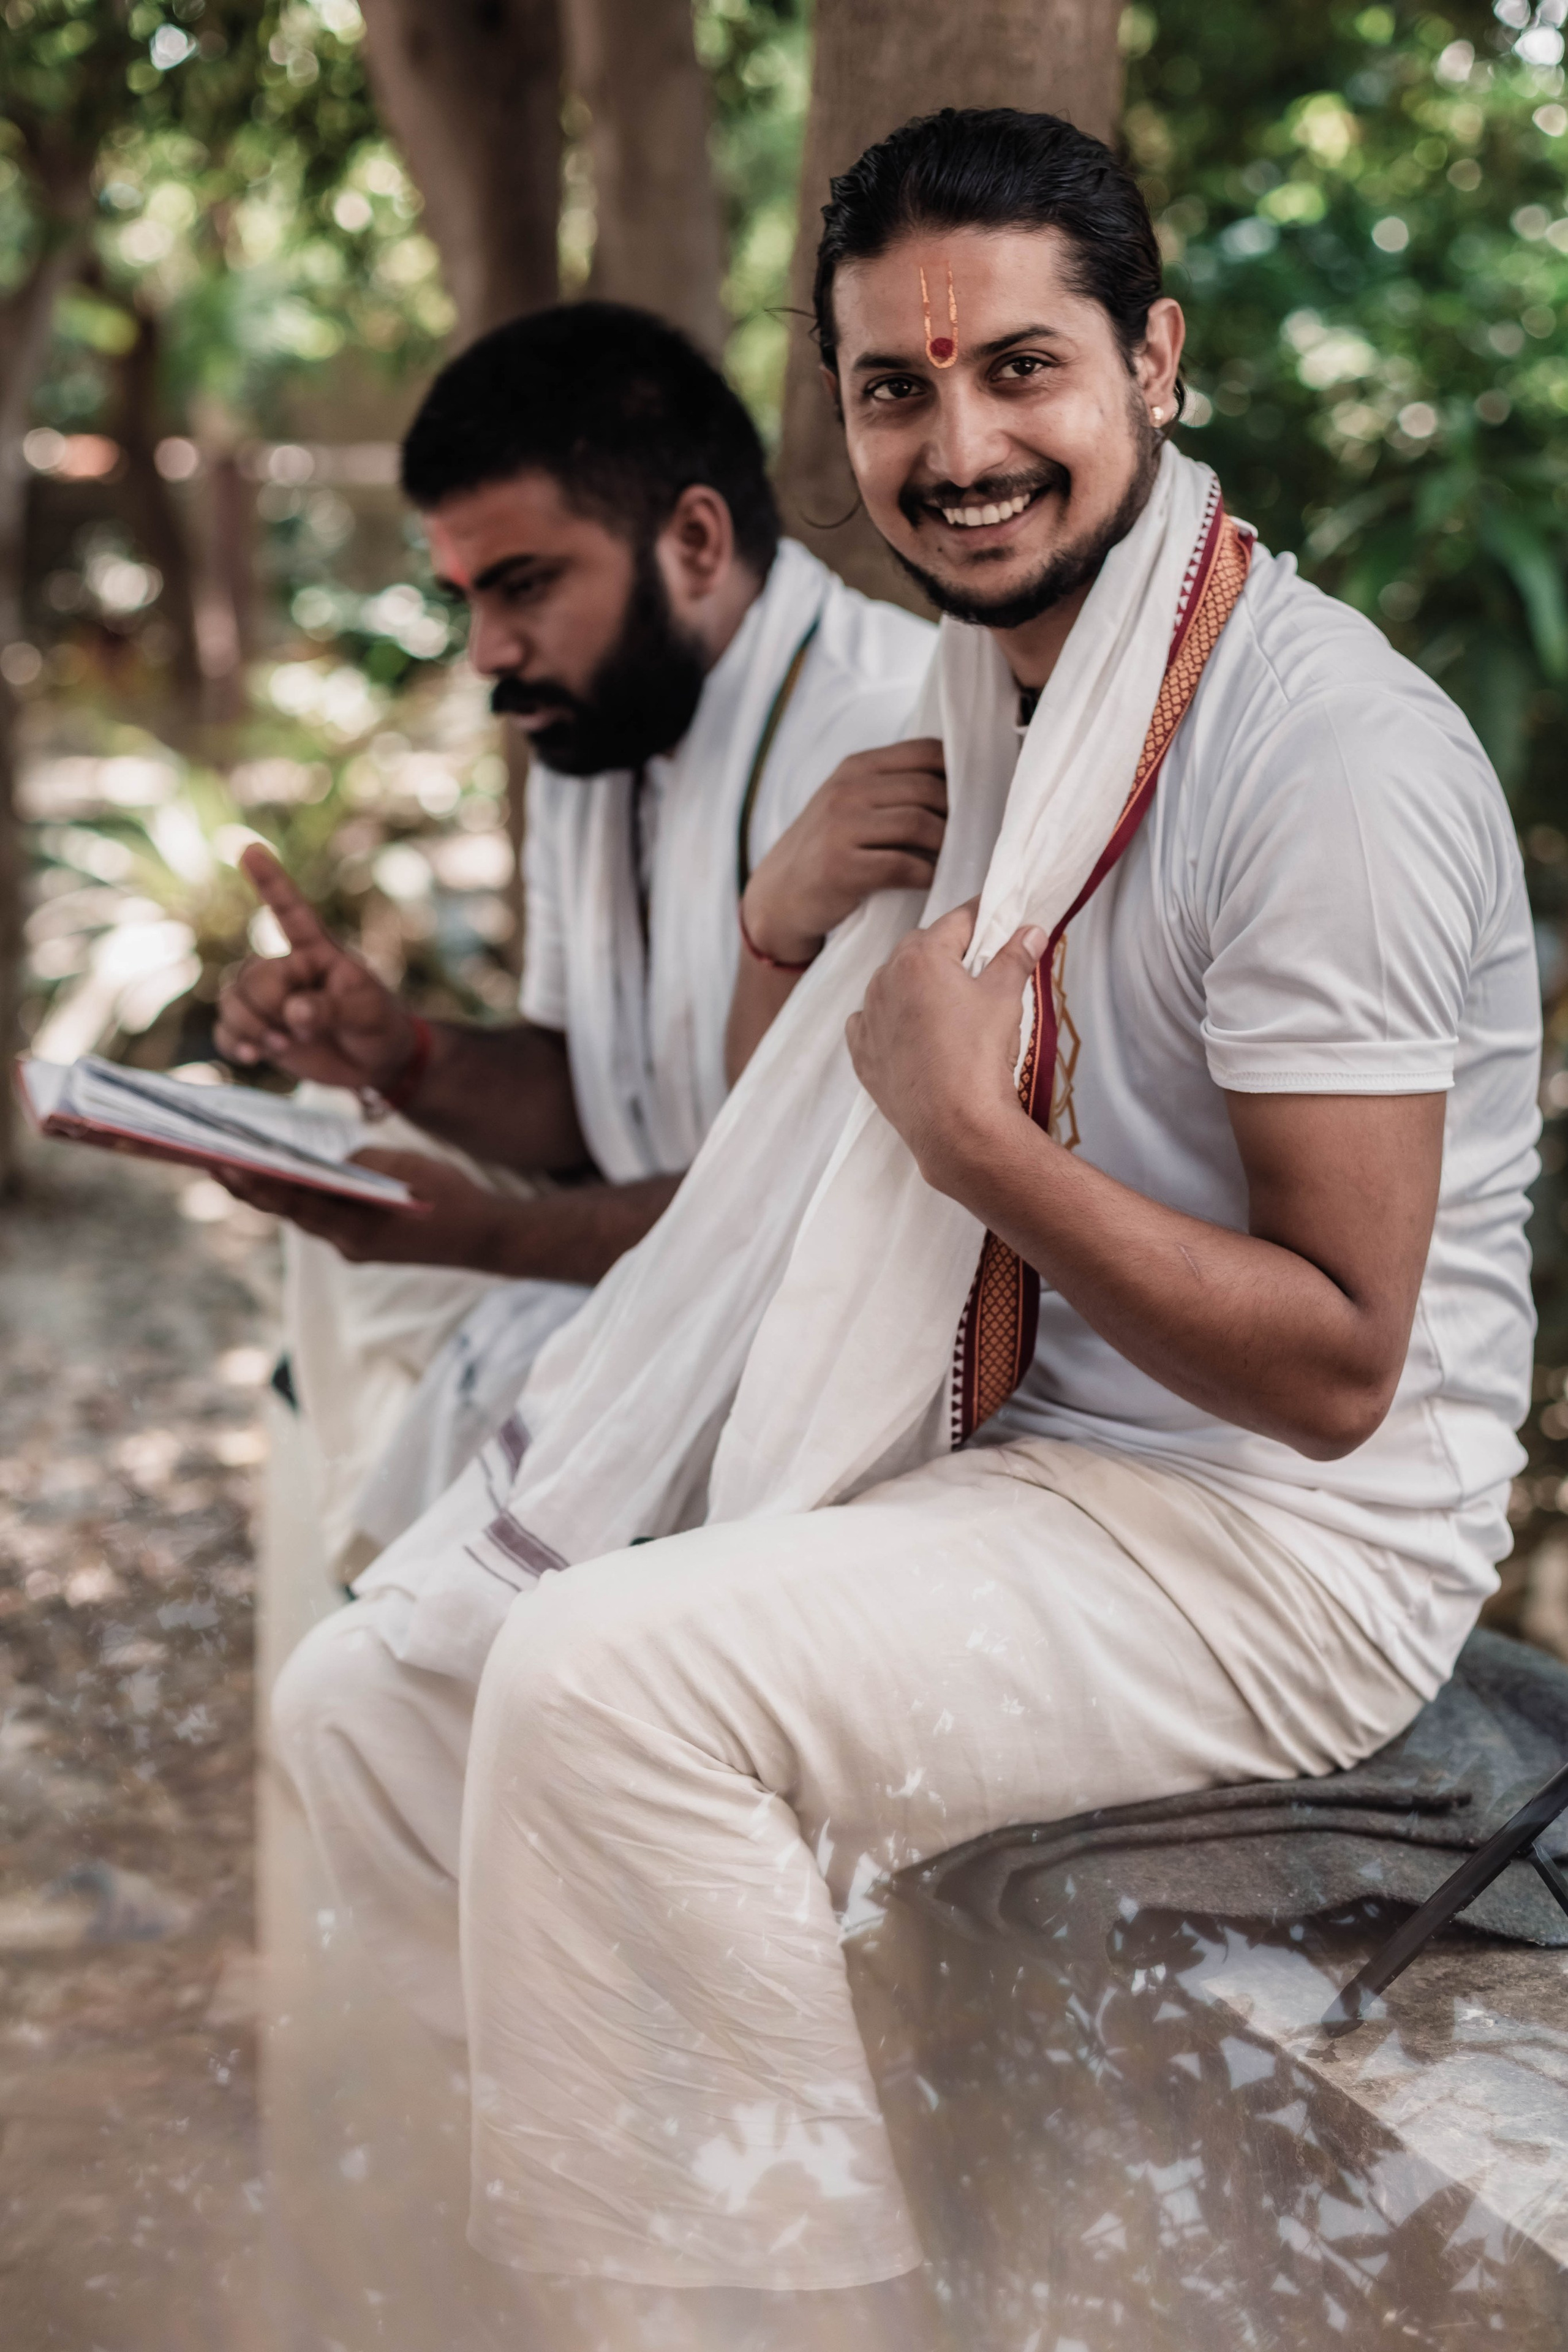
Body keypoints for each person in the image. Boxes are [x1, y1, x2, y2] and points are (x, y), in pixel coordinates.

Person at [274, 110, 1540, 2351]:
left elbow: (1347, 1370)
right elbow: (788, 1142)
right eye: (895, 390)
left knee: (604, 1681)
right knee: (400, 1686)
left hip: (1277, 1545)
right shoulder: (1014, 680)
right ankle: (468, 2281)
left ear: (1158, 365)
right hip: (1038, 1444)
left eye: (1023, 372)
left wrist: (986, 1153)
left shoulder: (1319, 757)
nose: (959, 448)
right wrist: (786, 917)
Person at [214, 303, 936, 1574]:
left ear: (695, 539)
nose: (489, 652)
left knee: (383, 1643)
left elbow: (801, 1224)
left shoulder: (884, 741)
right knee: (341, 1194)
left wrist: (482, 1236)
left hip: (798, 1364)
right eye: (467, 598)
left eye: (525, 586)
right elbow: (585, 1090)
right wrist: (402, 1056)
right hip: (641, 1275)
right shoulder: (588, 727)